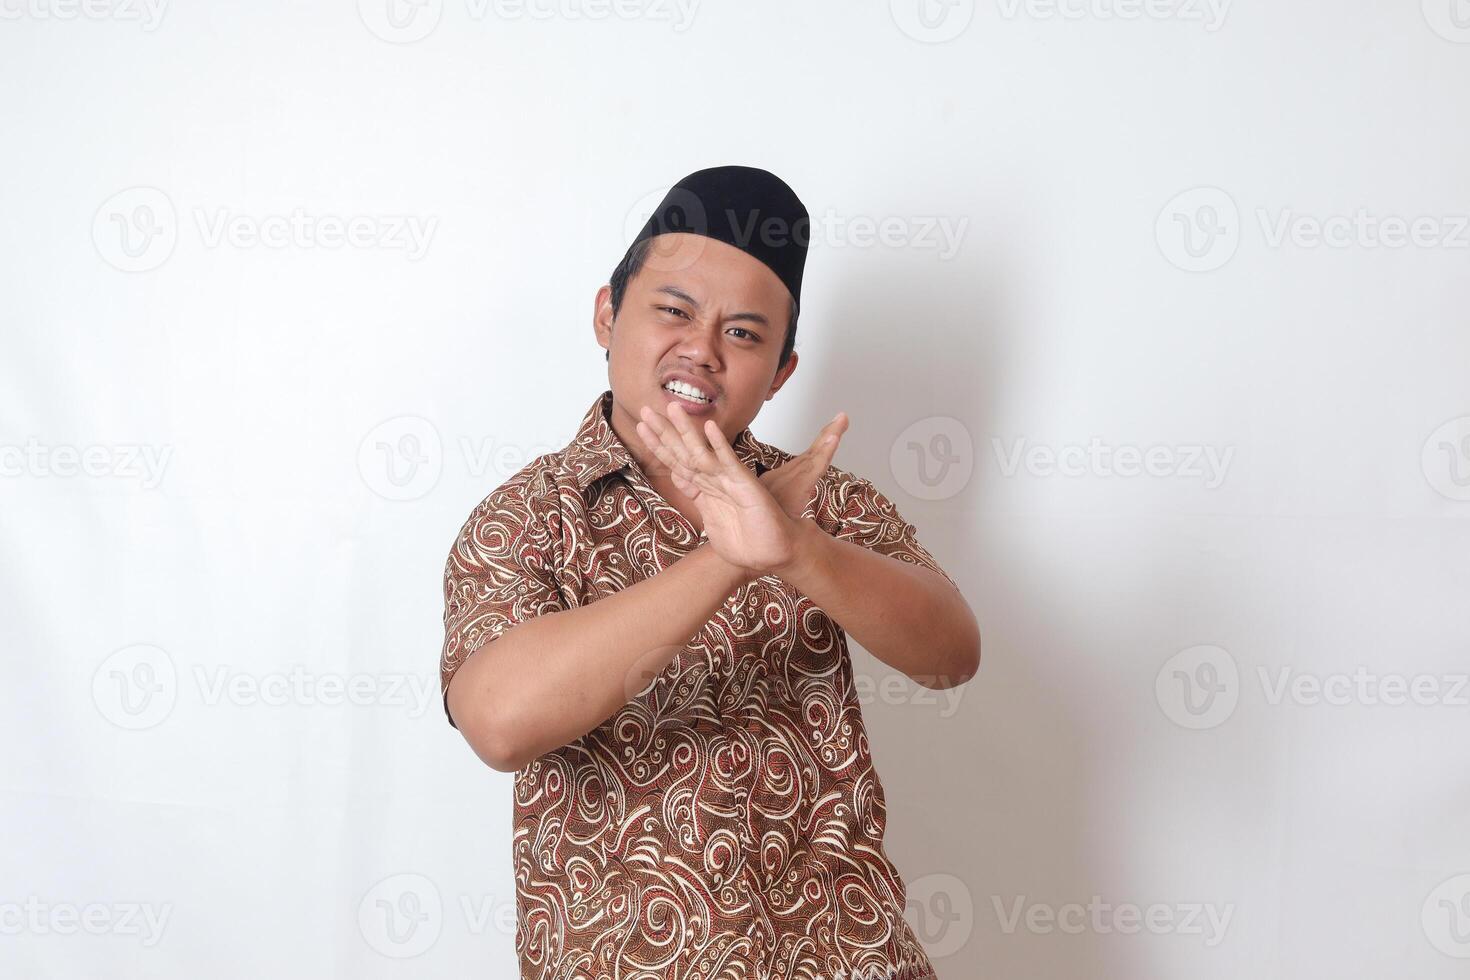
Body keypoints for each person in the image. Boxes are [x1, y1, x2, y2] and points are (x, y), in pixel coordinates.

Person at [439, 164, 981, 980]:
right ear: (606, 315)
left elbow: (951, 655)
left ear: (781, 373)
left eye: (743, 333)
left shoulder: (822, 503)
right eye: (674, 311)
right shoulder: (527, 517)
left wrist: (800, 550)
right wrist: (727, 560)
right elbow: (500, 721)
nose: (701, 348)